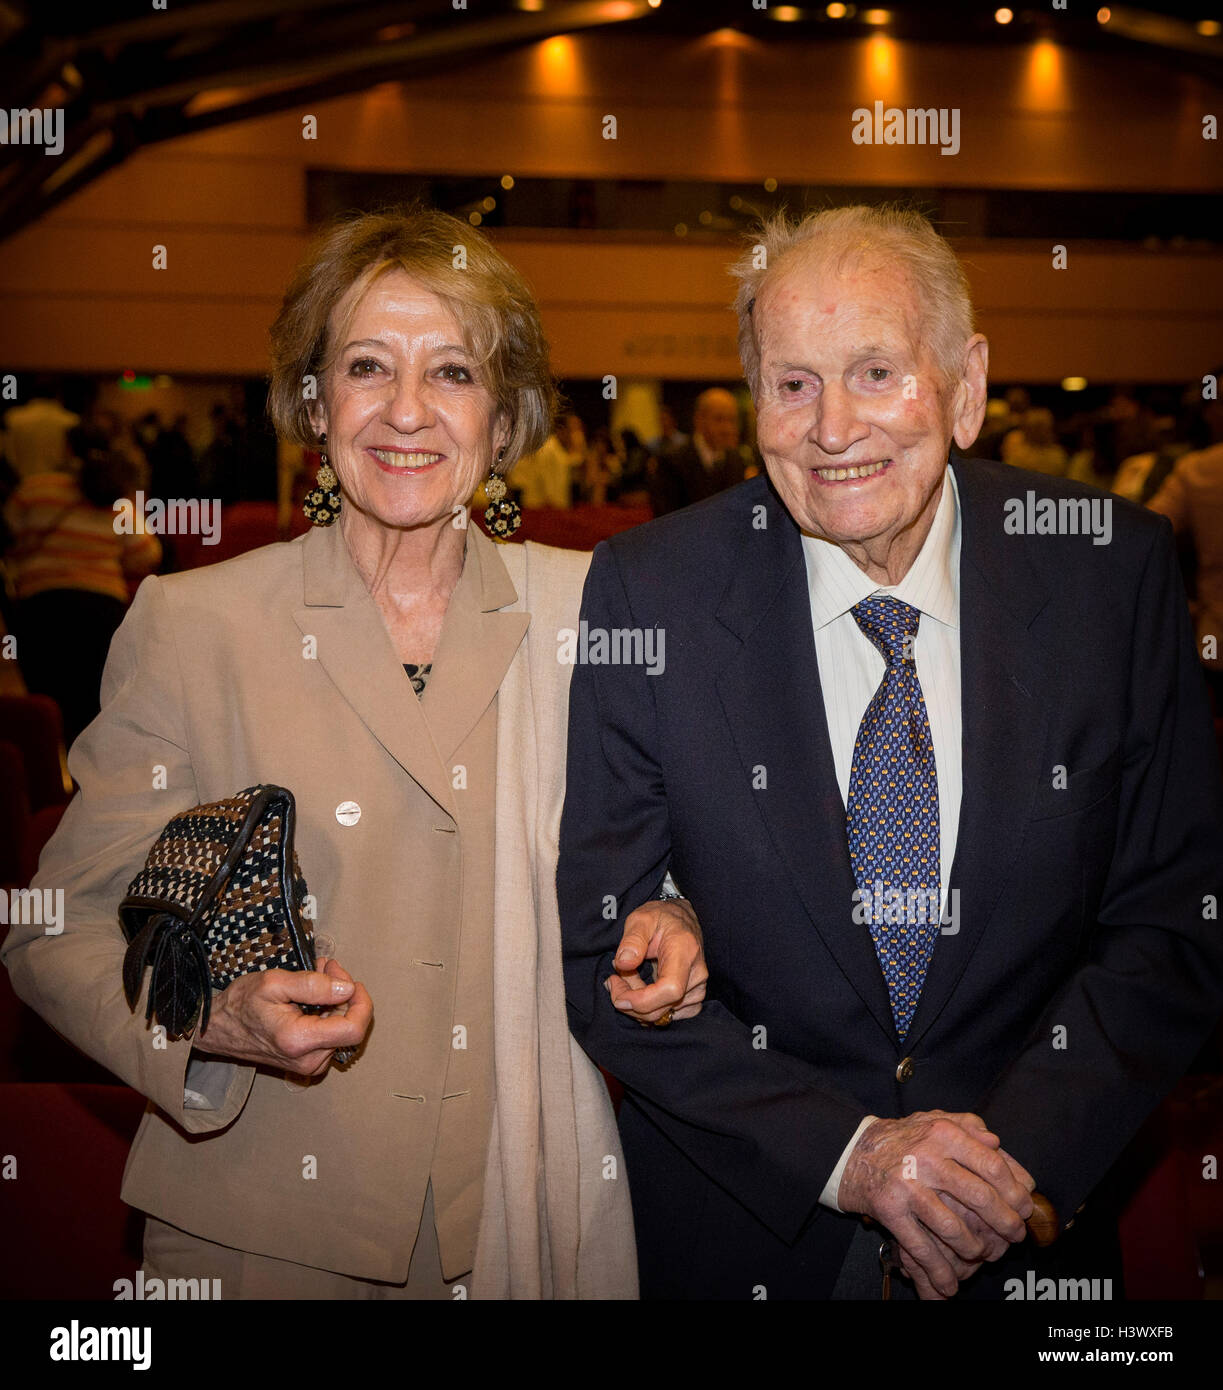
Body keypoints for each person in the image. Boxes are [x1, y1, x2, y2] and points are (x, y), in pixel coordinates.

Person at [2, 206, 708, 1300]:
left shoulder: (591, 614)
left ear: (507, 411)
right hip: (261, 1229)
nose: (407, 412)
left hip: (526, 1214)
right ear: (312, 398)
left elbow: (675, 854)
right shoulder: (196, 624)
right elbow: (56, 927)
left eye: (453, 372)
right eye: (368, 366)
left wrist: (675, 916)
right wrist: (206, 1020)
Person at [558, 204, 1223, 1301]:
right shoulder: (649, 591)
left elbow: (1172, 920)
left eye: (874, 371)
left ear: (964, 388)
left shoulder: (1111, 572)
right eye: (790, 382)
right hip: (747, 1233)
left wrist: (997, 1173)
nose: (831, 428)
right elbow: (601, 956)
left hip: (1025, 1228)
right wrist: (852, 1154)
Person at [3, 426, 161, 743]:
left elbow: (7, 536)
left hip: (39, 606)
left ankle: (50, 771)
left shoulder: (34, 489)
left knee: (47, 699)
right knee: (94, 700)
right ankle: (88, 780)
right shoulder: (118, 497)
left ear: (66, 450)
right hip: (102, 609)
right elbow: (147, 553)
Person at [648, 387, 754, 515]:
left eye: (732, 420)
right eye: (719, 419)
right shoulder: (672, 461)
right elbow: (665, 518)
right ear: (699, 420)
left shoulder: (736, 460)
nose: (727, 428)